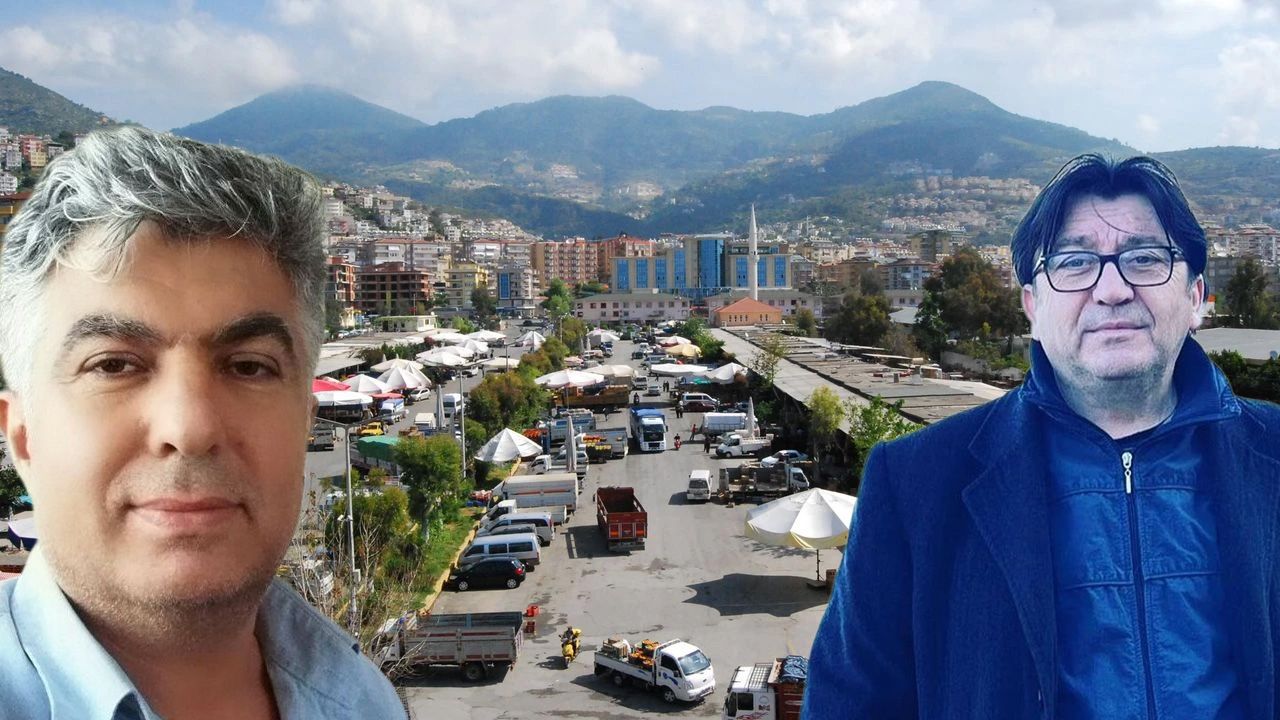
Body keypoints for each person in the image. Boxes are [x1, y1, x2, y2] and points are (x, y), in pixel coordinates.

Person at [805, 154, 1280, 719]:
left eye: (1146, 258)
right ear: (1032, 306)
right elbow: (851, 704)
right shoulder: (915, 484)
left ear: (1196, 298)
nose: (1112, 289)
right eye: (1075, 263)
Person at [0, 127, 406, 718]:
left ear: (304, 422)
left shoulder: (362, 700)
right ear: (23, 437)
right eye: (113, 364)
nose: (189, 428)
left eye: (248, 366)